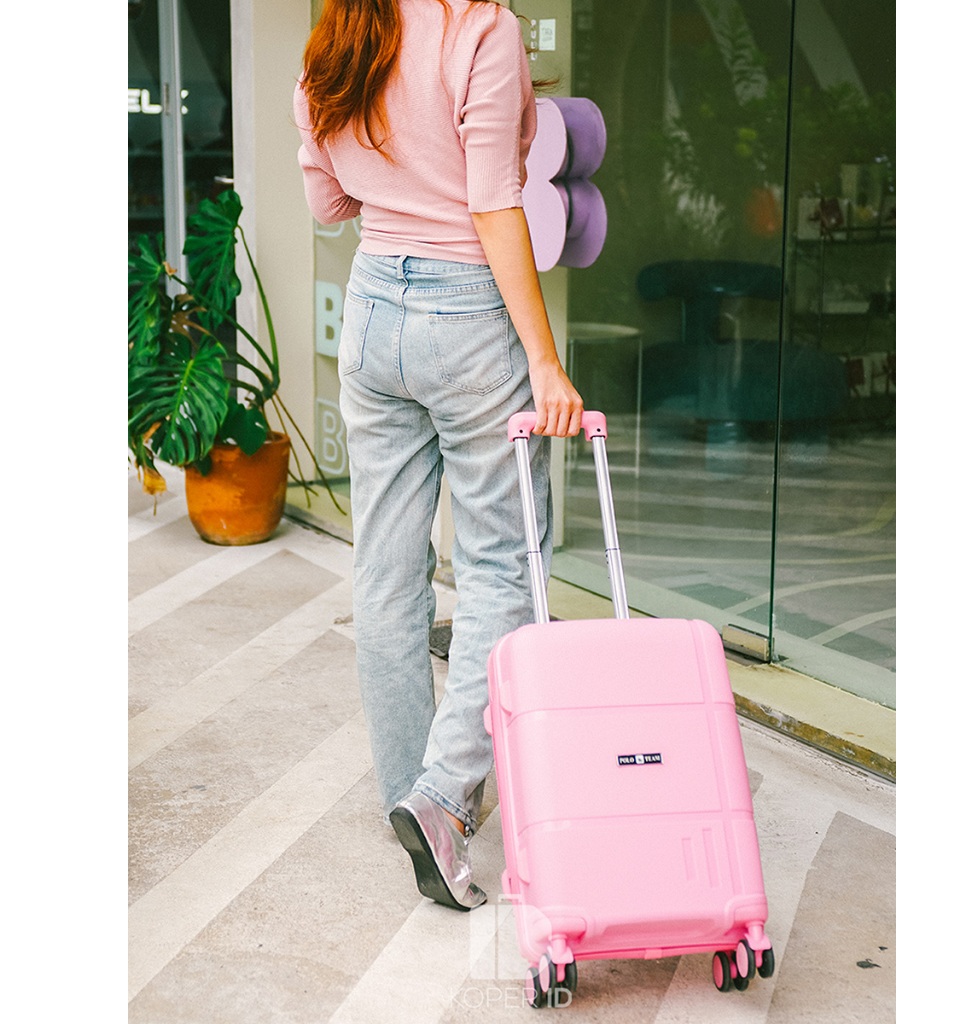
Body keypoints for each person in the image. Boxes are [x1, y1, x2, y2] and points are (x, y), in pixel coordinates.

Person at [294, 0, 583, 911]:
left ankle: (410, 796)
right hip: (465, 316)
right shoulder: (481, 31)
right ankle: (442, 799)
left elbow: (326, 199)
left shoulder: (343, 28)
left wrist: (392, 167)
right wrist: (545, 361)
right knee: (504, 563)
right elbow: (494, 203)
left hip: (372, 307)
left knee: (384, 569)